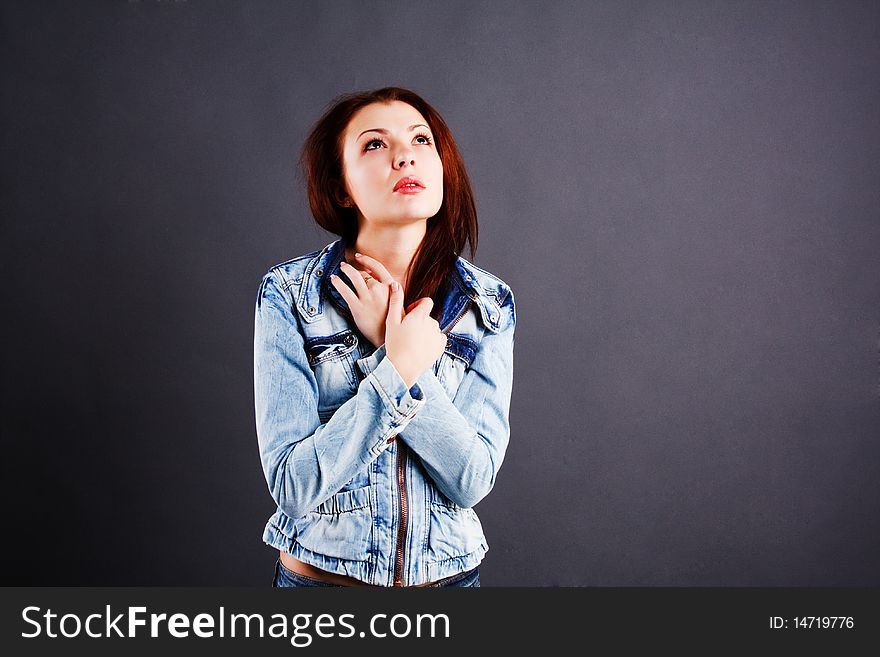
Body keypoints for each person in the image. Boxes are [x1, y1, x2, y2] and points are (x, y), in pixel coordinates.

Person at [253, 86, 515, 587]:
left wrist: (390, 349)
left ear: (442, 169)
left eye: (421, 141)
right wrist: (396, 368)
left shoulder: (488, 304)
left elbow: (471, 479)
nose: (404, 157)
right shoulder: (291, 295)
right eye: (375, 144)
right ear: (341, 188)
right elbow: (293, 485)